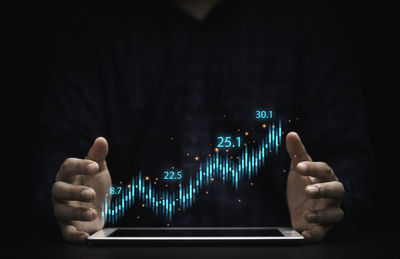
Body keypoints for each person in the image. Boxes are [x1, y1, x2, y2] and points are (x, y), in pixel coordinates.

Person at [34, 0, 371, 243]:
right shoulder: (95, 25)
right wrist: (75, 199)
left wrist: (324, 198)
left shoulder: (306, 21)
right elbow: (57, 154)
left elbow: (348, 153)